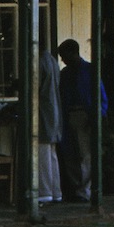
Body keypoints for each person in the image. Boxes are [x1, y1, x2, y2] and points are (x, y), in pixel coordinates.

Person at [56, 38, 107, 202]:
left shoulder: (90, 70)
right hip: (68, 115)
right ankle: (76, 188)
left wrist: (98, 115)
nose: (63, 59)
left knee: (85, 155)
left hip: (85, 115)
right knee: (70, 154)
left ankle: (85, 190)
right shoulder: (64, 74)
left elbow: (100, 95)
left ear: (73, 53)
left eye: (64, 56)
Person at [37, 45, 62, 203]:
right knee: (52, 155)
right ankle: (55, 191)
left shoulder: (40, 62)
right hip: (54, 111)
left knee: (43, 155)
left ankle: (44, 191)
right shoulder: (52, 61)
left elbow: (35, 87)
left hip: (43, 112)